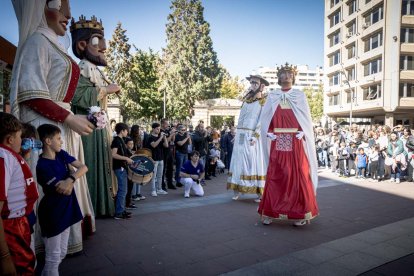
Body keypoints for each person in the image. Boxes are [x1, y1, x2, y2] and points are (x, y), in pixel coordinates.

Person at [10, 0, 95, 254]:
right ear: (40, 7)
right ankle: (42, 244)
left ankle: (62, 240)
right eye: (58, 4)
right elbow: (31, 92)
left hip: (59, 125)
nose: (67, 13)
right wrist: (69, 118)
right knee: (45, 181)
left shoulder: (53, 45)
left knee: (64, 178)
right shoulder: (37, 42)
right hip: (44, 129)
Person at [70, 15, 121, 217]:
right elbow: (78, 97)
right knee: (92, 165)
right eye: (97, 41)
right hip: (87, 129)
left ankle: (101, 206)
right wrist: (106, 90)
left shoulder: (94, 70)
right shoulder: (82, 68)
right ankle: (91, 208)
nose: (104, 47)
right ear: (82, 44)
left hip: (97, 128)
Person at [258, 63, 319, 227]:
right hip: (278, 140)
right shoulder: (272, 96)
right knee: (276, 174)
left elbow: (305, 118)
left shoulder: (299, 95)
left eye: (289, 74)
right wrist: (269, 130)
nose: (286, 76)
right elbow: (267, 117)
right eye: (283, 73)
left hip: (296, 140)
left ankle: (300, 213)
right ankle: (270, 212)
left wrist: (303, 131)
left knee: (298, 175)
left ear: (293, 77)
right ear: (278, 78)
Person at [36, 124, 87, 275]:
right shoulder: (42, 165)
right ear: (48, 141)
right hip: (53, 212)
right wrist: (71, 176)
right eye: (58, 138)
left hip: (67, 208)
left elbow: (83, 167)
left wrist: (70, 177)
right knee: (53, 257)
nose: (61, 142)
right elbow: (64, 189)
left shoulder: (61, 154)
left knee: (62, 252)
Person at [0, 112, 39, 275]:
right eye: (19, 137)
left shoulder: (9, 156)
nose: (21, 141)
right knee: (21, 268)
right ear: (10, 139)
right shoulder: (3, 157)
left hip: (19, 221)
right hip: (11, 226)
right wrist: (5, 257)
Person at [227, 74, 268, 202]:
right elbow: (241, 119)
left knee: (252, 162)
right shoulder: (245, 101)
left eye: (255, 83)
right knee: (237, 162)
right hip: (240, 135)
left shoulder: (263, 102)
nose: (252, 85)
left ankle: (259, 193)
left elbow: (261, 121)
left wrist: (255, 136)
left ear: (261, 86)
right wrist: (237, 134)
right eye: (251, 83)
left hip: (251, 136)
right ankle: (237, 189)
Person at [111, 123, 134, 219]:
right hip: (119, 168)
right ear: (122, 131)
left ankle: (122, 210)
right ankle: (119, 213)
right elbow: (114, 154)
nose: (127, 132)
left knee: (123, 190)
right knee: (122, 190)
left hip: (122, 167)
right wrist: (126, 158)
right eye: (126, 130)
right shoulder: (116, 140)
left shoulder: (121, 140)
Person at [148, 123, 169, 197]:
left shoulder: (161, 137)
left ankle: (159, 189)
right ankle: (153, 190)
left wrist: (164, 138)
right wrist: (160, 138)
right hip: (154, 159)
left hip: (161, 158)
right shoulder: (150, 137)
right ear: (153, 129)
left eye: (159, 129)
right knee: (153, 176)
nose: (158, 130)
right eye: (157, 128)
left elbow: (166, 145)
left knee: (160, 175)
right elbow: (154, 145)